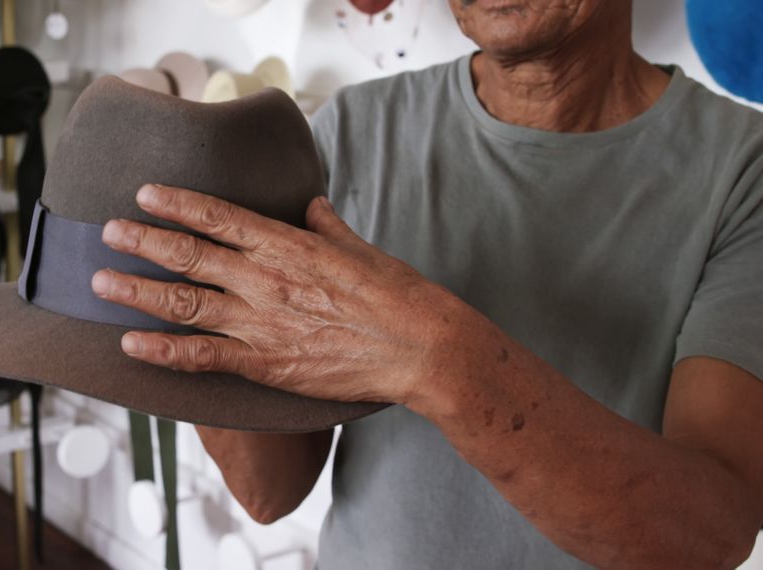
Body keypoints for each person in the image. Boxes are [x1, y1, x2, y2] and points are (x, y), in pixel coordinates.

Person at [90, 1, 763, 567]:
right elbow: (270, 490)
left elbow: (709, 533)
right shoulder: (353, 128)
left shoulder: (742, 172)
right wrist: (195, 302)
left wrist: (430, 353)